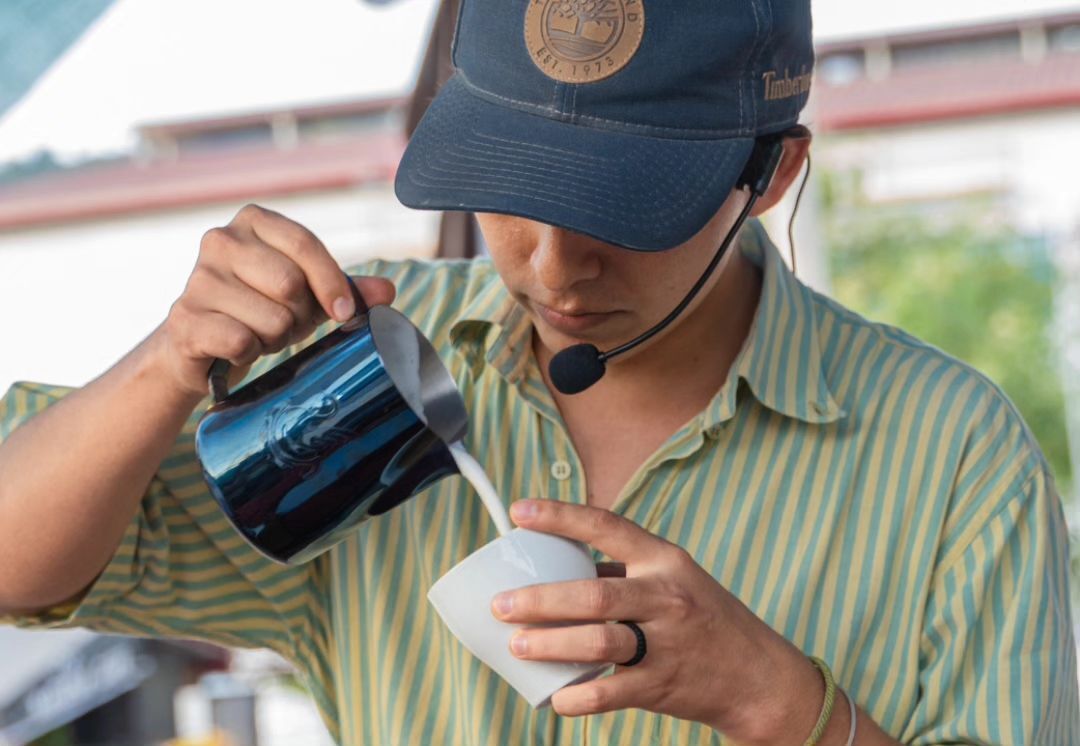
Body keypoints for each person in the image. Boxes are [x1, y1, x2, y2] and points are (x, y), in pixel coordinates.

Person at [0, 0, 1077, 743]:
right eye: (508, 187)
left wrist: (776, 700)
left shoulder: (954, 458)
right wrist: (168, 359)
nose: (555, 268)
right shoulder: (366, 363)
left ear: (773, 170)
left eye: (624, 208)